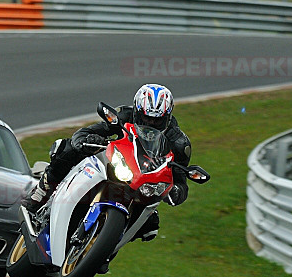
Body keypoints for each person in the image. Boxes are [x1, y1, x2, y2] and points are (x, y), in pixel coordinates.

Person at [22, 83, 192, 244]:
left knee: (150, 224)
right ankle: (41, 193)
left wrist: (176, 191)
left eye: (157, 121)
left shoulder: (179, 143)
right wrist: (85, 140)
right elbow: (90, 130)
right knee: (66, 149)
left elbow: (181, 180)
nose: (150, 124)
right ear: (137, 111)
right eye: (146, 118)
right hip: (116, 163)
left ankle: (108, 247)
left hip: (142, 183)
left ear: (167, 117)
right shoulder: (124, 115)